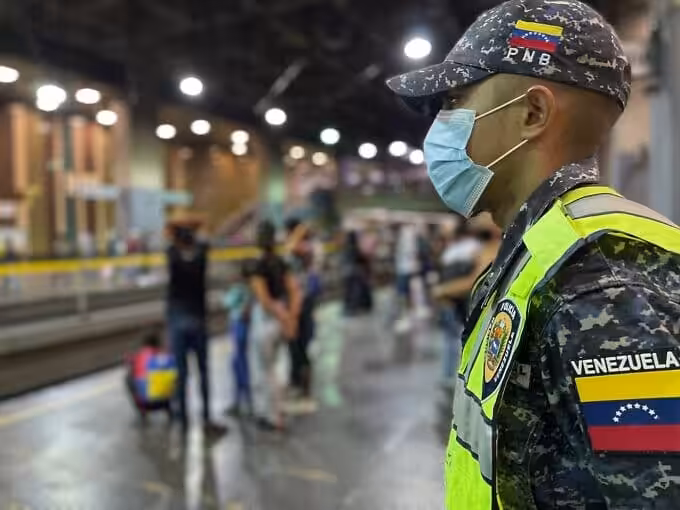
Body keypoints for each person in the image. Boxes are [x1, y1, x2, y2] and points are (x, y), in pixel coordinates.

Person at [387, 0, 680, 508]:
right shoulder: (540, 254)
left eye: (455, 101)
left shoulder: (602, 286)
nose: (439, 127)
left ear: (532, 113)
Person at [166, 218, 222, 436]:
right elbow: (206, 235)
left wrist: (179, 227)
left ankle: (182, 419)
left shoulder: (172, 256)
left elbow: (169, 232)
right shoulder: (202, 256)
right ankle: (207, 418)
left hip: (177, 320)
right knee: (203, 372)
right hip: (198, 320)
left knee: (182, 373)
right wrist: (196, 225)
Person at [249, 221, 302, 431]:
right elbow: (295, 291)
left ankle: (270, 416)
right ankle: (278, 411)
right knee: (277, 368)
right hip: (282, 316)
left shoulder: (257, 265)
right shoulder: (281, 262)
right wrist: (292, 318)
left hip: (266, 319)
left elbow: (264, 300)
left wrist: (282, 317)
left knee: (264, 370)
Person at [285, 218, 322, 398]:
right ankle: (299, 380)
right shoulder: (306, 249)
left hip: (300, 302)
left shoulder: (304, 249)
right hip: (302, 301)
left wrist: (298, 231)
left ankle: (300, 381)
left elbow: (290, 248)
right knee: (297, 343)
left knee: (298, 343)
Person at [222, 260, 254, 416]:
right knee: (244, 363)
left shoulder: (238, 289)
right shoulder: (251, 289)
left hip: (238, 326)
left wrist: (229, 291)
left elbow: (226, 302)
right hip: (246, 328)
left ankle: (241, 400)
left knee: (238, 364)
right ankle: (245, 399)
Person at [125, 332, 177, 422]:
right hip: (164, 402)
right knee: (172, 373)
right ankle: (170, 408)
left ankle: (142, 411)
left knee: (128, 377)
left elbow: (128, 362)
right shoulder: (165, 355)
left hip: (145, 403)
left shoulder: (138, 356)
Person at [342, 230, 372, 315]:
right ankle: (352, 308)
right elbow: (360, 258)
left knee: (349, 291)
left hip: (347, 273)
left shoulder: (346, 247)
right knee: (355, 291)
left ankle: (349, 308)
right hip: (354, 272)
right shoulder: (354, 247)